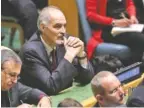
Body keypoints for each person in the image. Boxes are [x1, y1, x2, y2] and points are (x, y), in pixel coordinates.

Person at [19, 6, 94, 95]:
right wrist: (69, 56)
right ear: (43, 27)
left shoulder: (65, 40)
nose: (63, 31)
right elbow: (51, 87)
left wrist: (81, 56)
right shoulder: (30, 52)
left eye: (64, 26)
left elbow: (87, 78)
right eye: (57, 26)